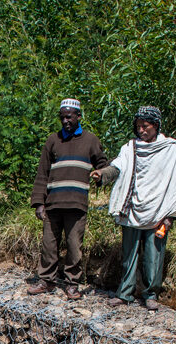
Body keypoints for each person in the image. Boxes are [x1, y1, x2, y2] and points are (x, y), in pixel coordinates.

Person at [90, 106, 176, 311]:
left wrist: (171, 215)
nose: (141, 130)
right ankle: (125, 293)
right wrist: (102, 175)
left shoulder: (170, 149)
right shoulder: (130, 148)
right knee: (129, 254)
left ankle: (150, 294)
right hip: (132, 209)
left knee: (154, 257)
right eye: (138, 127)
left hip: (159, 210)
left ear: (155, 126)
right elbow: (117, 167)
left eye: (145, 126)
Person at [28, 98, 109, 297]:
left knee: (74, 246)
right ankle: (47, 280)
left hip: (76, 204)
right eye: (63, 117)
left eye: (69, 117)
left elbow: (103, 165)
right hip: (53, 203)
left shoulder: (91, 140)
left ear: (78, 116)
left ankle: (72, 282)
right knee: (48, 245)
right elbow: (42, 173)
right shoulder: (53, 140)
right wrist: (39, 203)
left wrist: (101, 175)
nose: (66, 121)